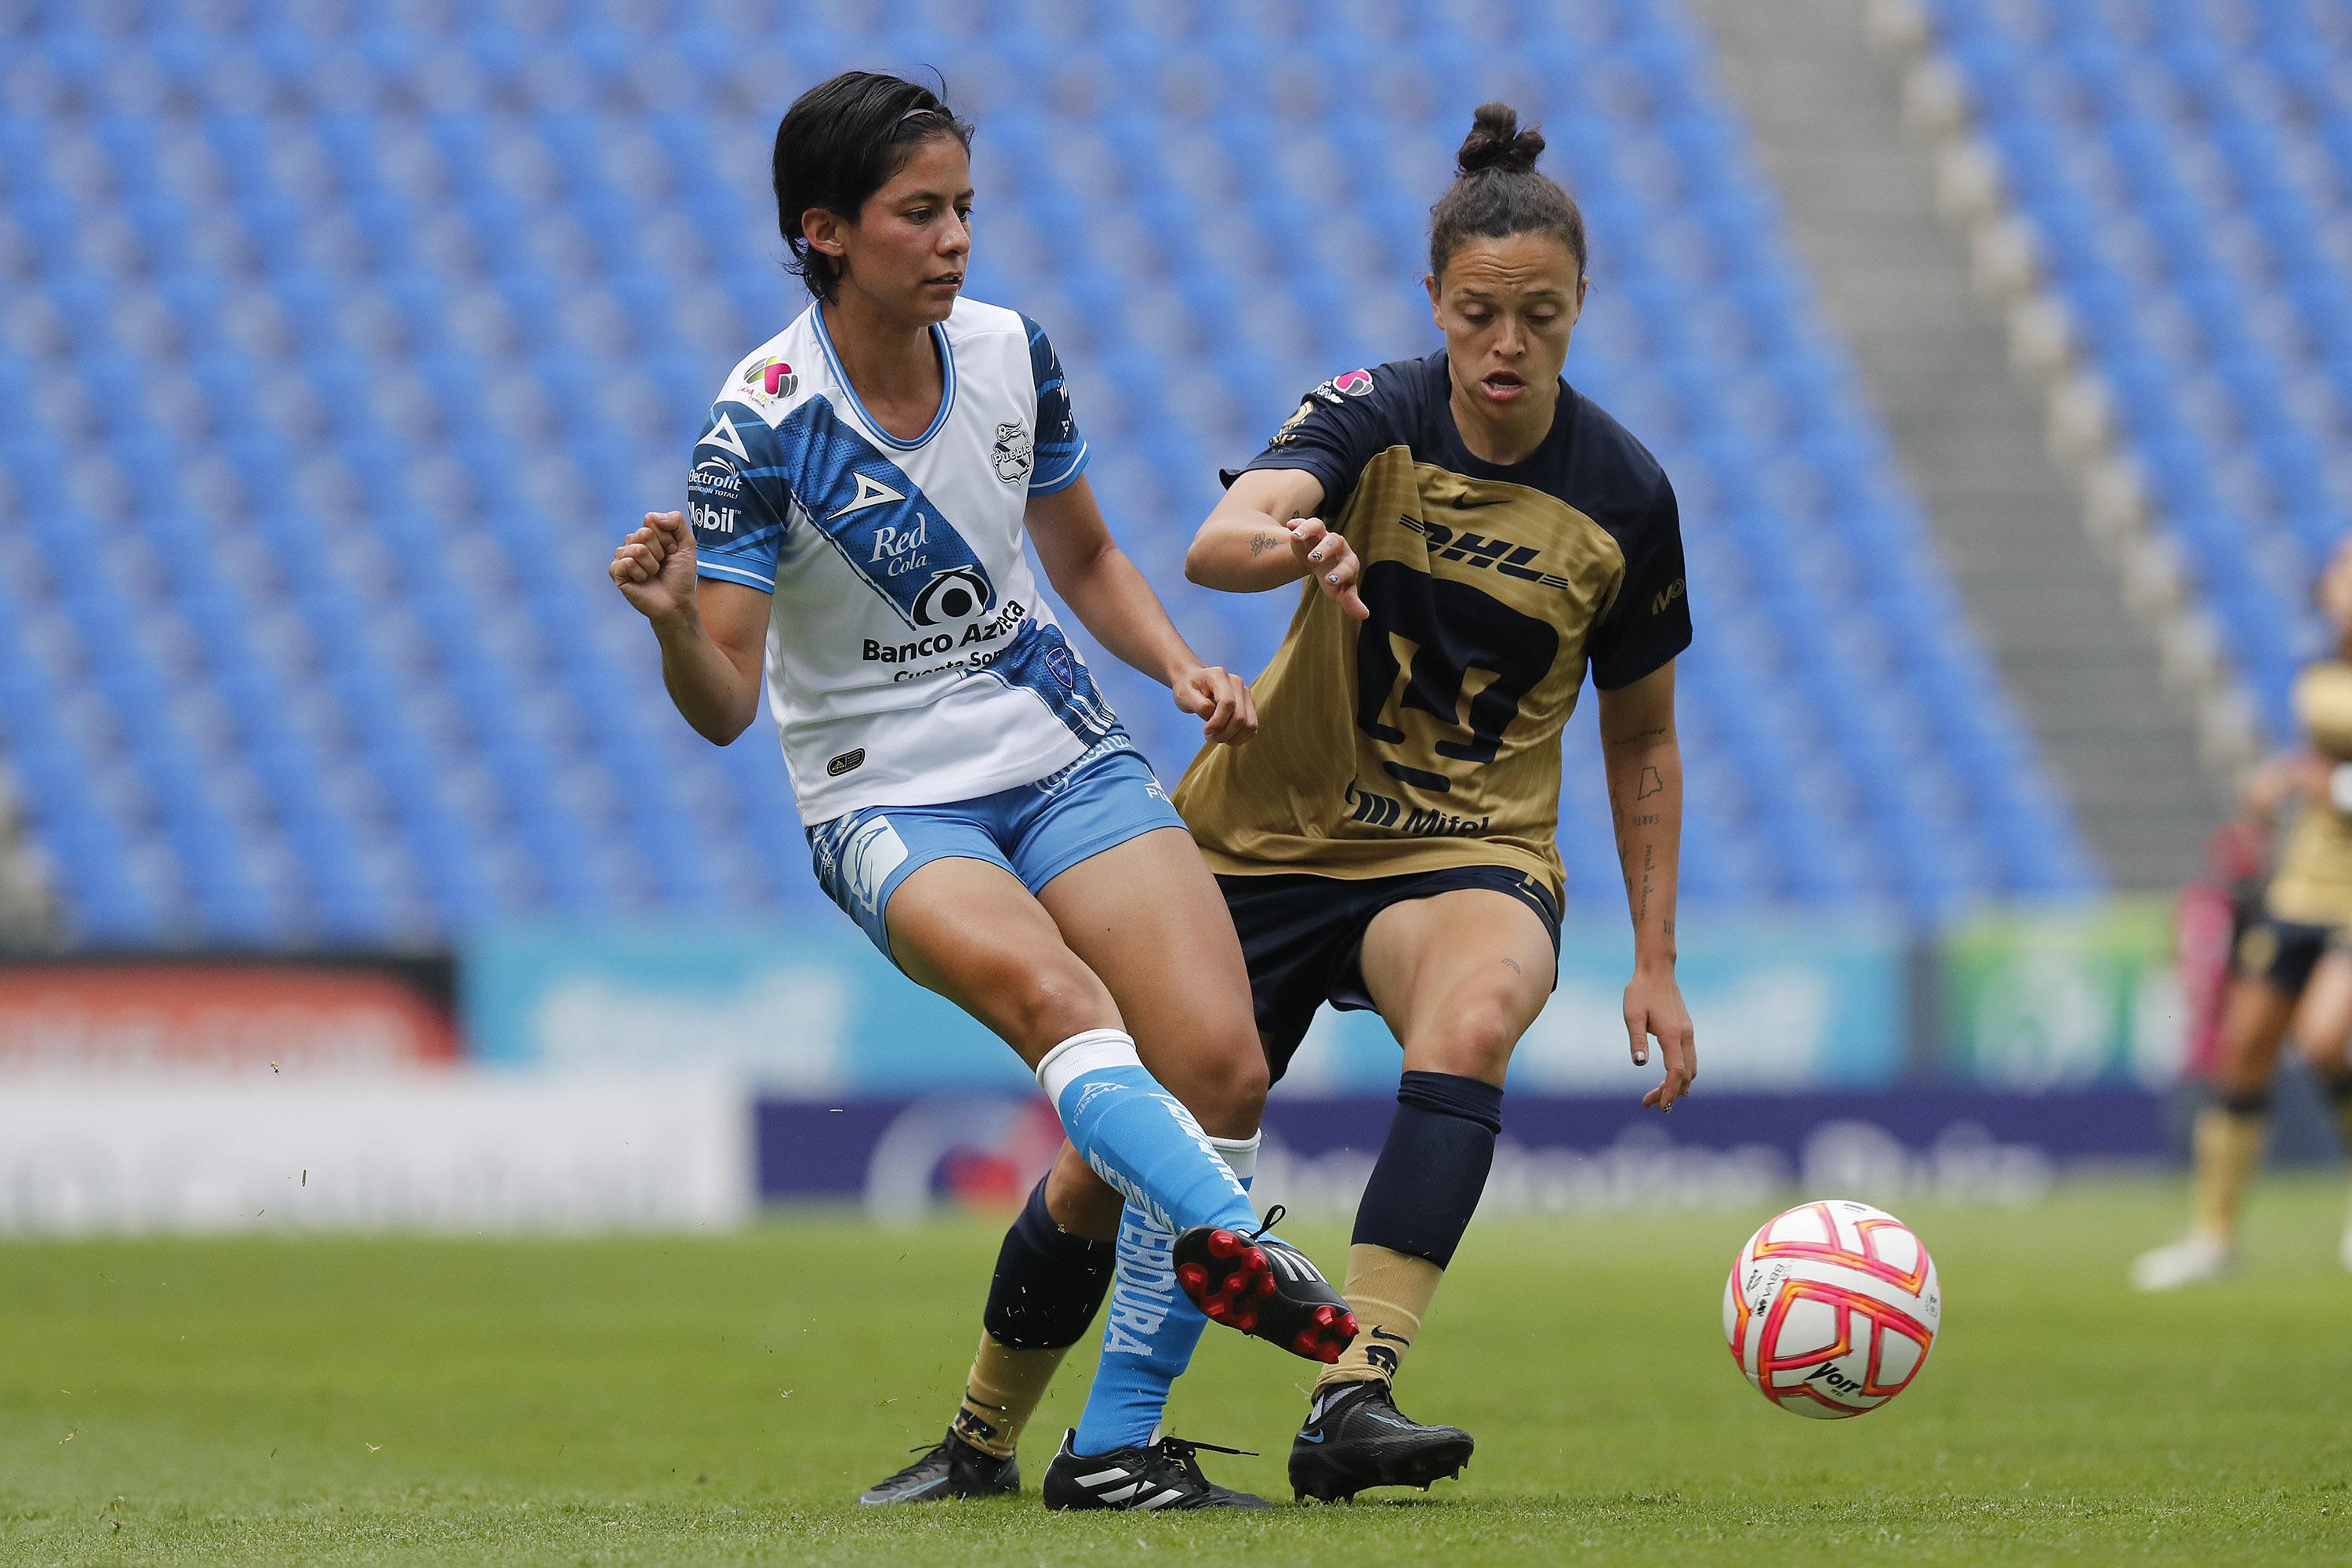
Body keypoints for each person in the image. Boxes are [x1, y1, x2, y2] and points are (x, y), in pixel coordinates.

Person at [868, 100, 1699, 1506]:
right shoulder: (1374, 410)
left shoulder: (1625, 497)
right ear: (1436, 301)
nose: (1509, 344)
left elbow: (1646, 740)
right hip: (1262, 841)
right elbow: (1215, 541)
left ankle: (1353, 1392)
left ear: (1580, 309)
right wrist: (1290, 540)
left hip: (1467, 850)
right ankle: (983, 1438)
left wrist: (1659, 959)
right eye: (1483, 312)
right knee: (1114, 1167)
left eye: (1542, 316)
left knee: (1481, 1012)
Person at [608, 70, 1354, 1511]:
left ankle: (1114, 1451)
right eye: (918, 213)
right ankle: (1236, 1243)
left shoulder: (1012, 352)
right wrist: (665, 622)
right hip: (885, 799)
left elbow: (1080, 557)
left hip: (1059, 749)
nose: (954, 239)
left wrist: (1179, 665)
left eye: (963, 208)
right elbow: (725, 707)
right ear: (824, 232)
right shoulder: (759, 425)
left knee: (1223, 1067)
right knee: (1062, 1009)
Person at [2133, 542, 2352, 1290]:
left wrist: (2314, 781)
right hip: (2300, 891)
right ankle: (2213, 1234)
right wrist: (2271, 803)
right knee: (2242, 1052)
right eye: (2341, 573)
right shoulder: (2317, 679)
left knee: (2325, 1041)